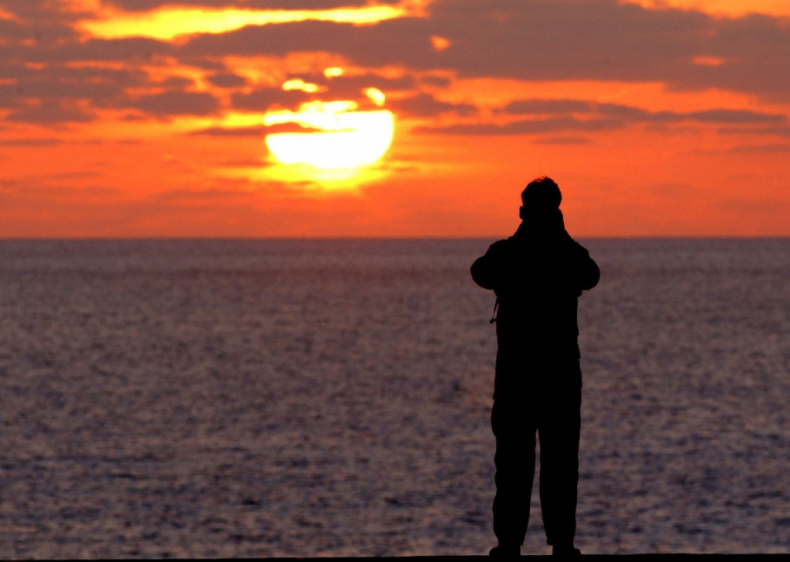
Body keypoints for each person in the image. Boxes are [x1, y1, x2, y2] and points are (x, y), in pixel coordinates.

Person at [471, 177, 599, 557]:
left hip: (517, 375)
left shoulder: (509, 252)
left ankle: (510, 544)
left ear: (524, 211)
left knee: (513, 462)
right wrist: (558, 235)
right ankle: (562, 544)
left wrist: (524, 235)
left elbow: (481, 271)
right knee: (559, 462)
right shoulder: (566, 253)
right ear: (557, 211)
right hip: (558, 375)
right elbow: (589, 274)